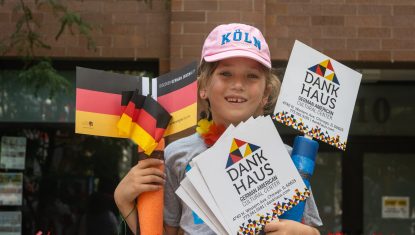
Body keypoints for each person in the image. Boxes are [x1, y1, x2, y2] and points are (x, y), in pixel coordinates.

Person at [114, 23, 322, 235]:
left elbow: (309, 227)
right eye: (226, 74)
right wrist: (123, 201)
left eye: (251, 76)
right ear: (203, 86)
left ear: (266, 93)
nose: (238, 84)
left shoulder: (289, 159)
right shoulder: (176, 155)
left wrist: (308, 233)